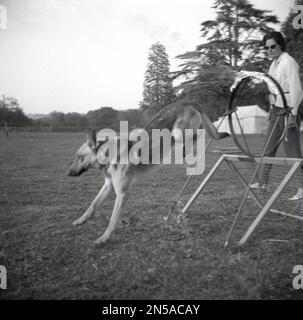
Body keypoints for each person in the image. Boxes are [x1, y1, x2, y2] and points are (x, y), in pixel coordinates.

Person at [251, 31, 303, 200]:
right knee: (268, 147)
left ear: (280, 44)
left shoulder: (289, 62)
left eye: (272, 46)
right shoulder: (273, 64)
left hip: (288, 111)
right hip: (275, 111)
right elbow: (273, 89)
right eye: (266, 48)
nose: (269, 50)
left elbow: (297, 90)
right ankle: (262, 182)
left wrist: (293, 115)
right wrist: (270, 110)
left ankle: (302, 188)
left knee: (292, 151)